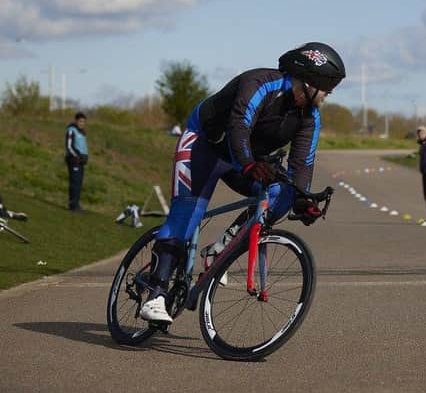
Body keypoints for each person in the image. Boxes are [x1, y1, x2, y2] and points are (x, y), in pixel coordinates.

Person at [140, 42, 346, 324]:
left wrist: (301, 200)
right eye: (326, 91)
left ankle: (221, 250)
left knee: (282, 194)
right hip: (203, 146)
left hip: (243, 158)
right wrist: (249, 163)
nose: (326, 98)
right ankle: (156, 293)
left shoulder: (310, 117)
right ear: (310, 83)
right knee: (188, 215)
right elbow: (239, 125)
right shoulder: (260, 83)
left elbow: (301, 164)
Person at [65, 112, 89, 212]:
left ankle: (76, 204)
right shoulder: (71, 130)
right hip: (74, 160)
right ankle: (73, 205)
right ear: (76, 121)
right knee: (74, 183)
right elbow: (69, 146)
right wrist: (78, 156)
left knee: (79, 183)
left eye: (84, 122)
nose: (82, 123)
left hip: (81, 162)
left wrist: (85, 157)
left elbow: (83, 147)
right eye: (80, 121)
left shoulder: (82, 133)